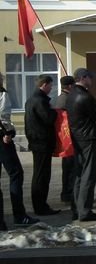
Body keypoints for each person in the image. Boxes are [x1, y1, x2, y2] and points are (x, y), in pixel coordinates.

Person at [0, 73, 39, 230]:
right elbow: (3, 116)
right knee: (16, 173)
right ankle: (19, 215)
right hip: (2, 139)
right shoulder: (2, 94)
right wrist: (7, 133)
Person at [67, 67, 96, 222]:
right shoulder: (85, 97)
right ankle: (85, 211)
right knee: (88, 175)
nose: (92, 80)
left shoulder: (71, 95)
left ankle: (76, 208)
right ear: (83, 78)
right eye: (90, 77)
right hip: (88, 137)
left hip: (76, 137)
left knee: (79, 173)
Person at [24, 74, 60, 216]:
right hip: (41, 142)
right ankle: (40, 207)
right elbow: (49, 118)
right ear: (44, 85)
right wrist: (54, 111)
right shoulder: (40, 101)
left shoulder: (32, 99)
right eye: (50, 85)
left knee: (40, 174)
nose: (51, 88)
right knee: (42, 176)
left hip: (37, 141)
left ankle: (40, 205)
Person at [52, 75, 76, 203]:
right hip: (69, 138)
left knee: (67, 168)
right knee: (71, 168)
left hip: (63, 138)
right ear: (70, 86)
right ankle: (70, 193)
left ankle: (66, 192)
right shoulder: (68, 100)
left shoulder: (58, 99)